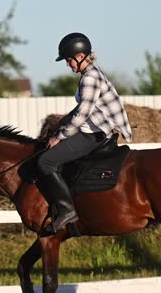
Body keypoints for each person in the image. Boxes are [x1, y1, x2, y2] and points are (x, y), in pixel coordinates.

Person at [37, 32, 133, 235]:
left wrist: (59, 137)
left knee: (46, 162)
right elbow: (82, 108)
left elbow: (82, 114)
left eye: (69, 60)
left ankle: (67, 210)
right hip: (94, 128)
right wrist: (62, 122)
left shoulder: (90, 77)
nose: (67, 64)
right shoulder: (91, 73)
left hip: (94, 134)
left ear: (80, 56)